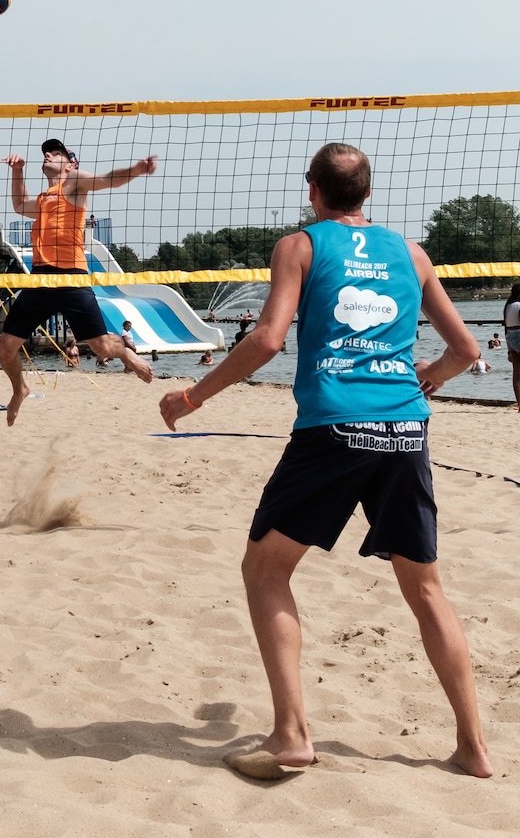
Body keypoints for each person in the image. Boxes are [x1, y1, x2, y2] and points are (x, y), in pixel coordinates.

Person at [159, 142, 491, 780]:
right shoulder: (411, 252)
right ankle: (473, 748)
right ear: (367, 193)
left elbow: (267, 339)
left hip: (335, 429)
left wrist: (194, 395)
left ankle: (291, 736)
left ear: (312, 189)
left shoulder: (300, 246)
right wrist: (421, 379)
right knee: (425, 590)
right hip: (403, 433)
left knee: (265, 570)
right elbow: (466, 350)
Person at [0, 139, 156, 423]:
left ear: (71, 164)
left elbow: (108, 180)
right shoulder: (45, 199)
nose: (48, 154)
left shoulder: (75, 182)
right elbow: (20, 204)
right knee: (5, 347)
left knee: (103, 348)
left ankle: (126, 354)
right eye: (46, 152)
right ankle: (19, 389)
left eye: (56, 152)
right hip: (41, 279)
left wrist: (136, 169)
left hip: (71, 277)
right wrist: (18, 171)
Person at [503, 284, 520, 411]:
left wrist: (509, 349)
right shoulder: (519, 305)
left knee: (516, 374)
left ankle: (519, 403)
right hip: (519, 335)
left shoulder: (507, 306)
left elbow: (506, 327)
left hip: (510, 336)